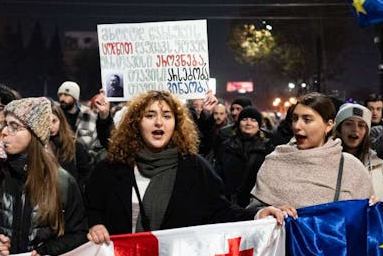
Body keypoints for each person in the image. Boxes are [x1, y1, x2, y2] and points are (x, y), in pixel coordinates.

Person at [84, 91, 284, 245]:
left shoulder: (195, 168)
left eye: (167, 116)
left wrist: (258, 215)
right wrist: (96, 225)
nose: (159, 122)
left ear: (177, 124)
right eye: (150, 115)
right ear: (136, 123)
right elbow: (91, 208)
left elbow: (220, 212)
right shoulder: (110, 168)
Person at [0, 97, 87, 256]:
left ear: (35, 134)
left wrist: (48, 250)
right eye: (6, 124)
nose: (4, 131)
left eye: (14, 126)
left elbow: (78, 233)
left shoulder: (61, 181)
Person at [249, 94, 374, 211]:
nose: (297, 126)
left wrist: (372, 209)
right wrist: (267, 213)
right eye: (295, 118)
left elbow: (365, 221)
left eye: (307, 119)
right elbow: (253, 213)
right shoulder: (274, 162)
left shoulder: (351, 167)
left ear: (329, 125)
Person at [211, 106, 272, 206]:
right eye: (244, 119)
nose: (248, 123)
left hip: (255, 204)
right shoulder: (226, 146)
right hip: (228, 204)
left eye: (253, 120)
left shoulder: (268, 149)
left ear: (259, 125)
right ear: (239, 123)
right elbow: (217, 175)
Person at [332, 103, 383, 202]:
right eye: (349, 123)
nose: (355, 129)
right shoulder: (325, 162)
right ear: (339, 128)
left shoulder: (379, 167)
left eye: (361, 125)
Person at [57, 81, 113, 161]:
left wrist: (90, 160)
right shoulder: (55, 116)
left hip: (85, 164)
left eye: (66, 95)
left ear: (75, 97)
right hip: (60, 162)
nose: (62, 98)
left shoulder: (89, 115)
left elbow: (98, 143)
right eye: (60, 95)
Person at [48, 102, 93, 193]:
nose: (51, 126)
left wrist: (77, 190)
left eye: (54, 121)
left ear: (61, 121)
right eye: (46, 122)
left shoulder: (75, 145)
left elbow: (85, 172)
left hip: (71, 197)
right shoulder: (38, 146)